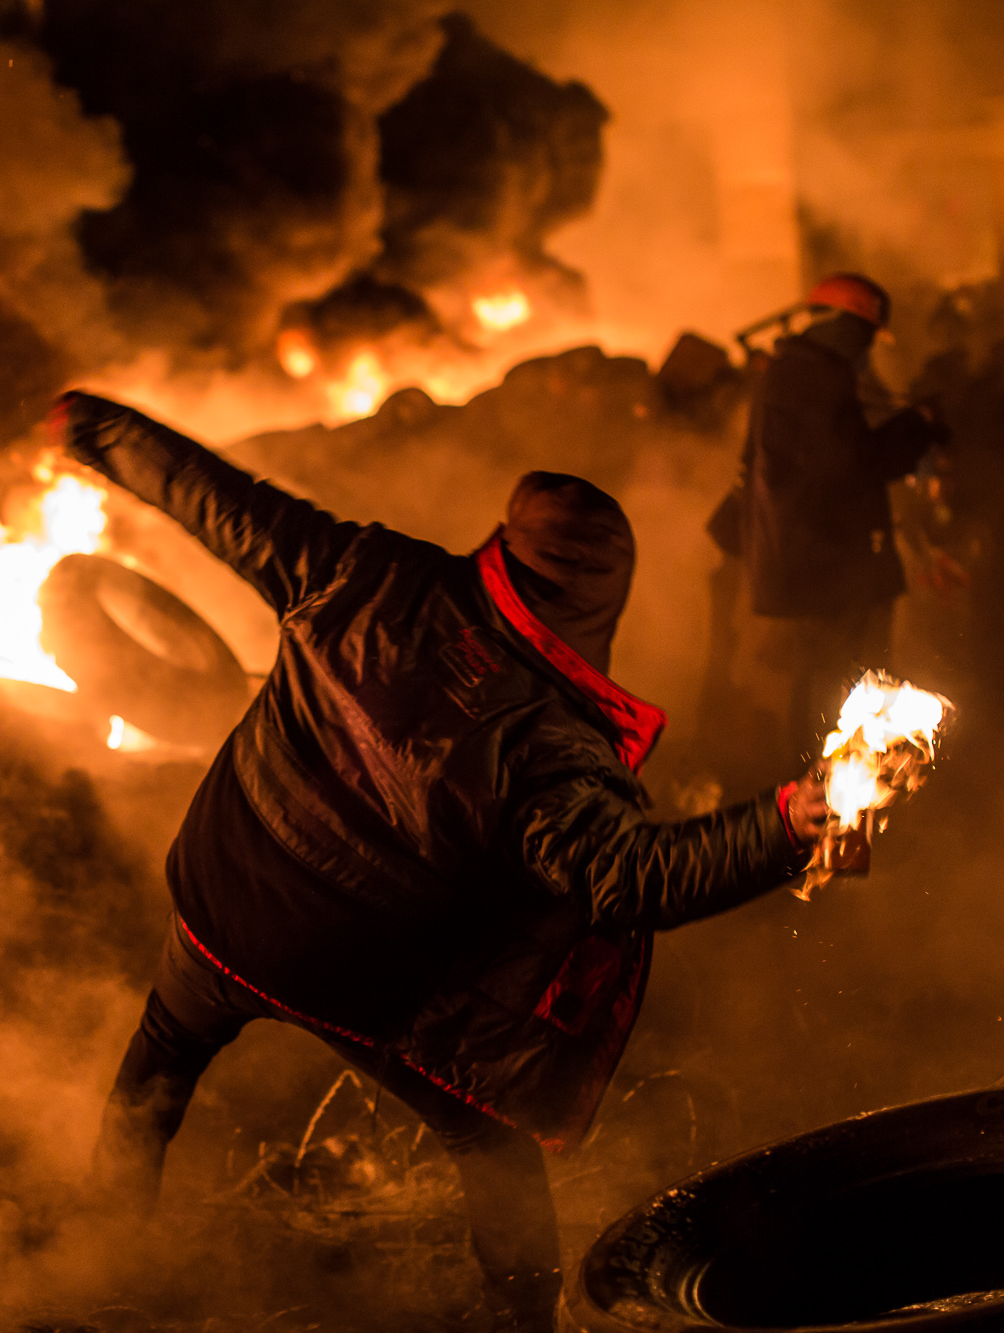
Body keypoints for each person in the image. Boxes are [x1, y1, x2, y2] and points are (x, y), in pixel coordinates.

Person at [51, 390, 828, 1330]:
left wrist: (98, 429)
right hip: (368, 979)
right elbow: (636, 877)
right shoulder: (552, 740)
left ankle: (103, 1258)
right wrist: (791, 823)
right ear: (604, 597)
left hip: (226, 907)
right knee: (487, 1143)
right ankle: (528, 1318)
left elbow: (216, 496)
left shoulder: (366, 570)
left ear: (507, 538)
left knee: (156, 1065)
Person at [738, 272, 947, 759]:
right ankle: (831, 789)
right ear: (843, 326)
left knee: (826, 677)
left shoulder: (795, 371)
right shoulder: (814, 376)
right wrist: (916, 428)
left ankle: (820, 785)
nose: (868, 347)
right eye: (865, 334)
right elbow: (851, 464)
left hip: (816, 559)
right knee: (839, 680)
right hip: (829, 563)